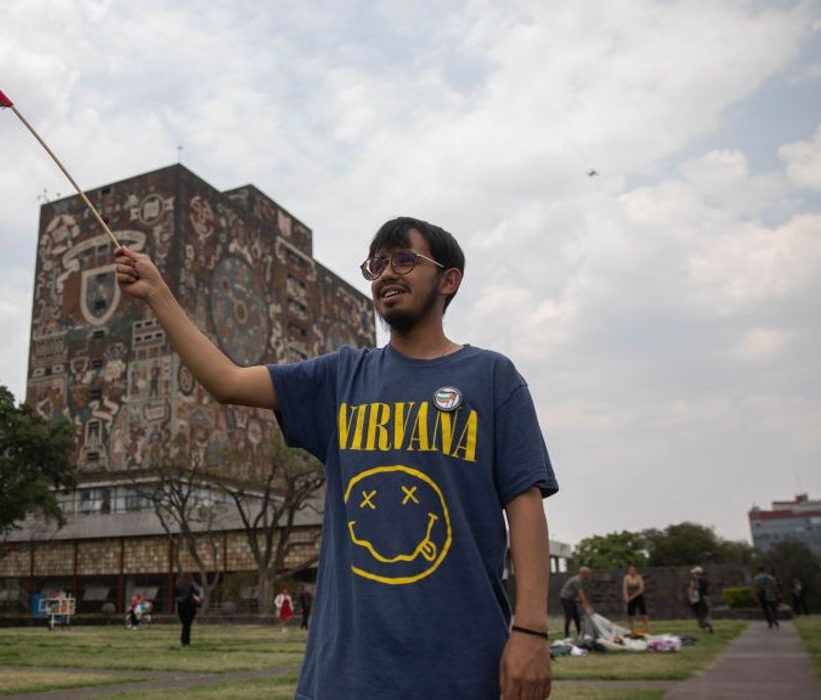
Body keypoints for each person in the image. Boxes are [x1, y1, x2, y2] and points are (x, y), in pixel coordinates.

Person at [116, 216, 559, 699]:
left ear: (449, 279)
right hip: (345, 674)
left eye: (405, 260)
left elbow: (525, 505)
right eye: (377, 264)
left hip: (462, 666)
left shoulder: (492, 377)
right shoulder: (341, 377)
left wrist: (531, 631)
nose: (387, 273)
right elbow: (227, 381)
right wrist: (158, 293)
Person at [559, 567, 594, 639]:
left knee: (576, 617)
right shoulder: (577, 581)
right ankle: (566, 635)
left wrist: (587, 606)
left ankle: (579, 634)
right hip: (566, 599)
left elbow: (582, 596)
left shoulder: (580, 581)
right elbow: (581, 596)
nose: (590, 576)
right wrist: (588, 608)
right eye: (589, 574)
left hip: (571, 599)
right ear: (584, 574)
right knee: (569, 616)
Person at [622, 564, 650, 635]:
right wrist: (626, 597)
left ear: (635, 570)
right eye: (630, 570)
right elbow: (624, 588)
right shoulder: (626, 578)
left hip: (639, 597)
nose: (631, 571)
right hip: (630, 598)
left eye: (633, 570)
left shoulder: (639, 577)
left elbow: (642, 589)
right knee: (630, 614)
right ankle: (631, 629)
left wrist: (633, 596)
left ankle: (647, 628)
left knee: (643, 613)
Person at [175, 573, 202, 647]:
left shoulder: (178, 585)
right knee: (187, 626)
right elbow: (195, 596)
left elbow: (176, 596)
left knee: (185, 625)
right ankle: (186, 641)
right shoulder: (192, 586)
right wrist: (199, 604)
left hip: (180, 607)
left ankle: (184, 640)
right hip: (190, 607)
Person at [687, 566, 714, 633]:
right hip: (705, 597)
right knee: (707, 612)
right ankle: (708, 625)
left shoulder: (694, 581)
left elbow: (691, 590)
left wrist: (690, 597)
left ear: (695, 573)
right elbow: (709, 590)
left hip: (696, 599)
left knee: (699, 613)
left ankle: (704, 626)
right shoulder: (705, 580)